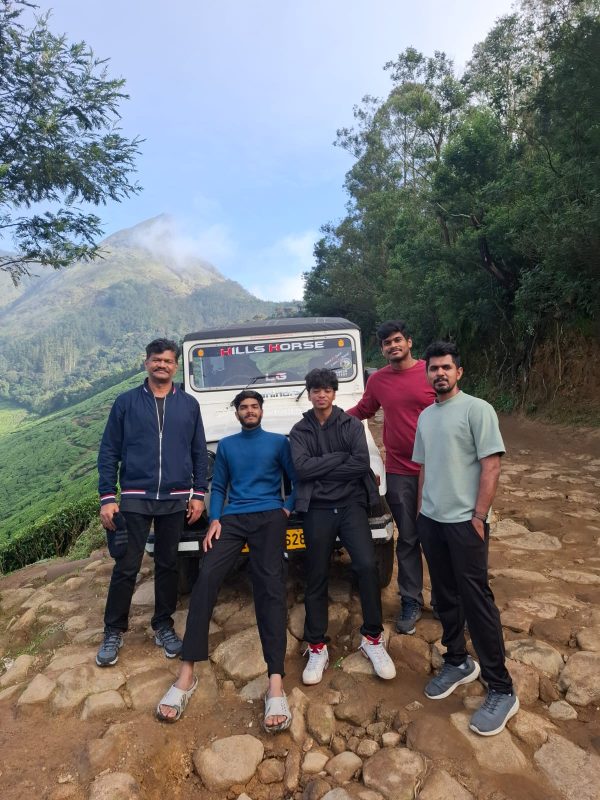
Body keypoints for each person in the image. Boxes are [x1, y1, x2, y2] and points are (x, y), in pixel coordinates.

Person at [156, 390, 295, 732]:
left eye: (254, 406)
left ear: (262, 410)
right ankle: (186, 676)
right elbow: (218, 487)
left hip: (269, 516)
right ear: (237, 413)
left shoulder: (279, 443)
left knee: (270, 587)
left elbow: (296, 482)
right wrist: (215, 518)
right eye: (243, 407)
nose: (249, 411)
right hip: (232, 519)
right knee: (206, 581)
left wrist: (286, 509)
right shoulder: (228, 446)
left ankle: (275, 683)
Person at [412, 341, 519, 736]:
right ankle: (457, 660)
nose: (439, 373)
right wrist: (422, 512)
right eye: (433, 368)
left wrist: (478, 516)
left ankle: (502, 688)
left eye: (446, 367)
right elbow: (423, 467)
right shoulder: (426, 416)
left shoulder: (478, 409)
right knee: (443, 596)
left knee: (476, 599)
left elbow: (491, 466)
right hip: (433, 522)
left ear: (458, 372)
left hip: (465, 523)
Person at [96, 338, 208, 667]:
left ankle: (163, 625)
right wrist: (107, 497)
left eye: (168, 361)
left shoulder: (188, 405)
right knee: (127, 566)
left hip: (175, 500)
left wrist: (198, 493)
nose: (162, 365)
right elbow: (109, 452)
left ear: (176, 366)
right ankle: (113, 631)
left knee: (168, 564)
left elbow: (199, 453)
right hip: (134, 498)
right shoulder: (126, 403)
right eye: (156, 359)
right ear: (146, 362)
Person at [290, 368, 396, 686]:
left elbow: (360, 463)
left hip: (351, 506)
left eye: (326, 389)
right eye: (315, 390)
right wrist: (339, 459)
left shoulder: (350, 424)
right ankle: (317, 645)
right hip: (318, 508)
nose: (321, 394)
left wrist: (324, 466)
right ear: (308, 393)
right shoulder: (300, 430)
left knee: (365, 565)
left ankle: (372, 639)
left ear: (334, 393)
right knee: (316, 573)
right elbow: (301, 469)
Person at [347, 320, 436, 635]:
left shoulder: (431, 373)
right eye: (387, 343)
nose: (393, 346)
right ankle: (411, 599)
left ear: (409, 342)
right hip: (400, 470)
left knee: (439, 536)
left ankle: (442, 598)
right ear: (382, 349)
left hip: (438, 470)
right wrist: (327, 421)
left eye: (398, 340)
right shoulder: (379, 381)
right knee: (409, 537)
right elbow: (363, 409)